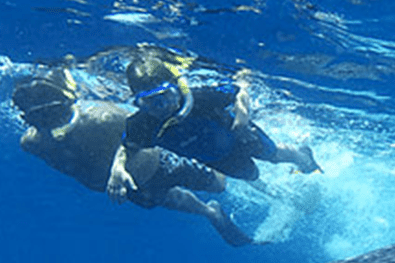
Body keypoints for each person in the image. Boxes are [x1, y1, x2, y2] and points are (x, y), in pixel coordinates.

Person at [12, 66, 252, 246]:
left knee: (218, 185)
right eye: (37, 118)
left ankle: (221, 155)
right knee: (170, 199)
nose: (47, 122)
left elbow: (135, 137)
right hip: (130, 189)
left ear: (67, 102)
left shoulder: (102, 118)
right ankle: (211, 213)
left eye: (52, 112)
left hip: (163, 162)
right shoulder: (31, 144)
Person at [106, 56, 322, 203]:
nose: (161, 108)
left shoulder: (201, 98)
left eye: (165, 97)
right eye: (149, 102)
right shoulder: (142, 125)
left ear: (177, 87)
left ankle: (305, 159)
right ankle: (287, 199)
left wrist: (242, 117)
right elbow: (127, 147)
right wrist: (117, 169)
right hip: (214, 158)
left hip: (238, 135)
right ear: (138, 103)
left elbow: (240, 90)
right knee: (251, 175)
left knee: (274, 155)